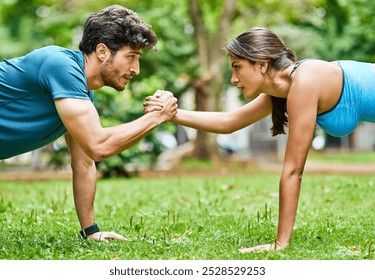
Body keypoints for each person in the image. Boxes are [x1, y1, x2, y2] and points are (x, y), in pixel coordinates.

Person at [145, 26, 375, 252]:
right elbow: (230, 122)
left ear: (262, 64)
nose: (234, 79)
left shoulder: (304, 82)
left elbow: (294, 170)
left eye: (238, 67)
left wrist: (280, 244)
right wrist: (171, 114)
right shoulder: (280, 91)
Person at [0, 5, 178, 242]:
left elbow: (84, 161)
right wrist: (157, 116)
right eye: (131, 57)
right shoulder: (59, 65)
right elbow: (99, 145)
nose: (136, 69)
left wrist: (91, 231)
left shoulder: (80, 92)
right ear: (102, 51)